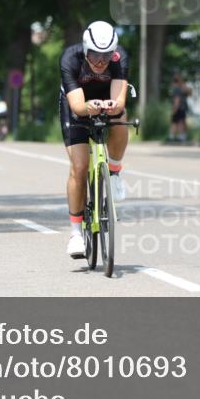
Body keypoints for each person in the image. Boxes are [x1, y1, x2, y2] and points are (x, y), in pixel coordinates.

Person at [59, 20, 129, 259]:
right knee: (79, 167)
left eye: (106, 56)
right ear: (85, 50)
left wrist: (113, 106)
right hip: (77, 102)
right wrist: (90, 106)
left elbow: (119, 102)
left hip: (106, 99)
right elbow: (78, 106)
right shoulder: (70, 58)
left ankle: (114, 171)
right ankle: (76, 233)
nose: (100, 62)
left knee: (121, 119)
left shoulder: (120, 59)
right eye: (94, 56)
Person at [168, 71, 192, 142]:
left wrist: (174, 109)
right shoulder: (182, 88)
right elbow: (189, 94)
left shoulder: (176, 89)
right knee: (180, 122)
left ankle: (174, 137)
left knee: (176, 122)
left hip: (178, 108)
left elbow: (177, 100)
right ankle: (181, 136)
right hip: (183, 108)